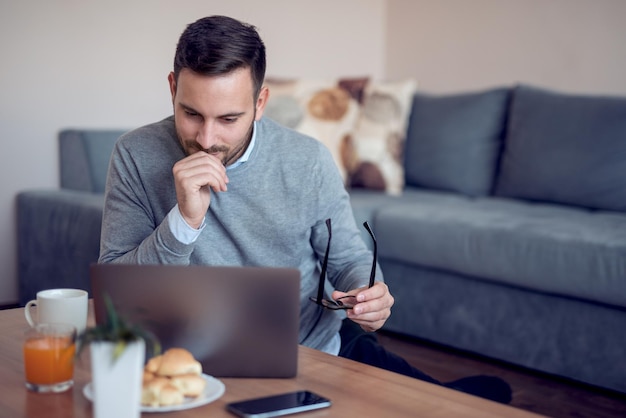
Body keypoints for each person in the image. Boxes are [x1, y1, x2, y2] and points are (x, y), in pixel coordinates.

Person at [99, 15, 511, 404]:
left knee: (446, 405)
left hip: (313, 351)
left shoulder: (306, 160)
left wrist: (369, 296)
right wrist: (184, 223)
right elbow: (117, 295)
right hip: (182, 364)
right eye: (191, 114)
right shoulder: (135, 155)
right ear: (173, 87)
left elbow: (349, 258)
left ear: (260, 103)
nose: (207, 138)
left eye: (228, 118)